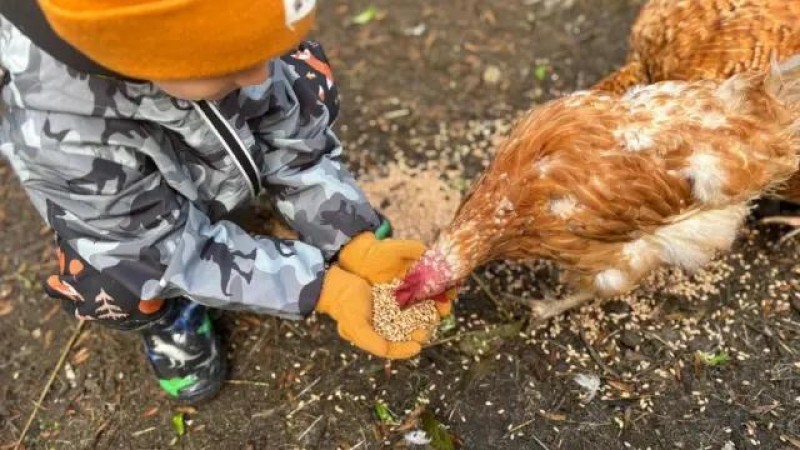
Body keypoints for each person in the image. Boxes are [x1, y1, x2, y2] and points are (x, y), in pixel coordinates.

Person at [0, 0, 452, 404]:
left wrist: (352, 238)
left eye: (269, 48)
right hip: (132, 230)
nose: (261, 74)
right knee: (116, 283)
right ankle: (169, 321)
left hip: (212, 164)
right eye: (234, 62)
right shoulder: (65, 136)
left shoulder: (248, 41)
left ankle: (265, 212)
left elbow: (299, 147)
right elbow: (164, 250)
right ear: (142, 56)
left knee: (295, 80)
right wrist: (320, 288)